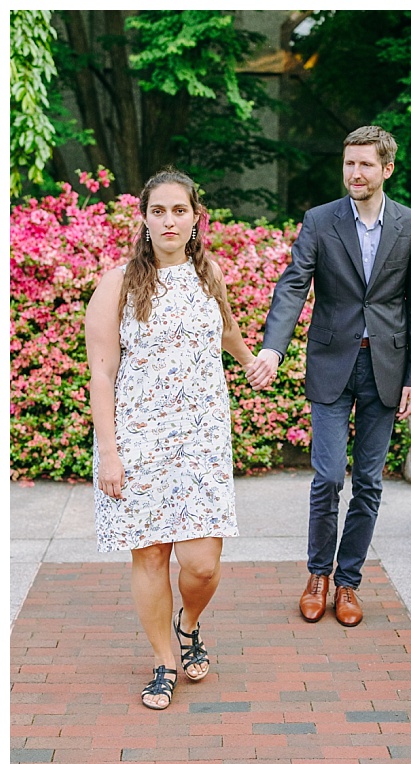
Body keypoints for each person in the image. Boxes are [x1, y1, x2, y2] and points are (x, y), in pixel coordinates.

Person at [246, 125, 411, 626]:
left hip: (386, 370)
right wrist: (272, 347)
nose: (355, 172)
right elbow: (292, 286)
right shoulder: (320, 221)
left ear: (386, 168)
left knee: (368, 482)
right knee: (328, 476)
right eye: (349, 163)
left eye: (365, 164)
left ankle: (348, 583)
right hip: (330, 366)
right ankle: (317, 576)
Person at [86, 170, 255, 710]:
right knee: (152, 556)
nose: (169, 220)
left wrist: (251, 361)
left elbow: (225, 329)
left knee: (202, 564)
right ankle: (164, 660)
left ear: (195, 217)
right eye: (158, 210)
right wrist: (109, 452)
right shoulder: (118, 283)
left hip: (202, 441)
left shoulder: (209, 275)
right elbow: (102, 374)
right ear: (143, 217)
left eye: (179, 210)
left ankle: (188, 623)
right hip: (137, 441)